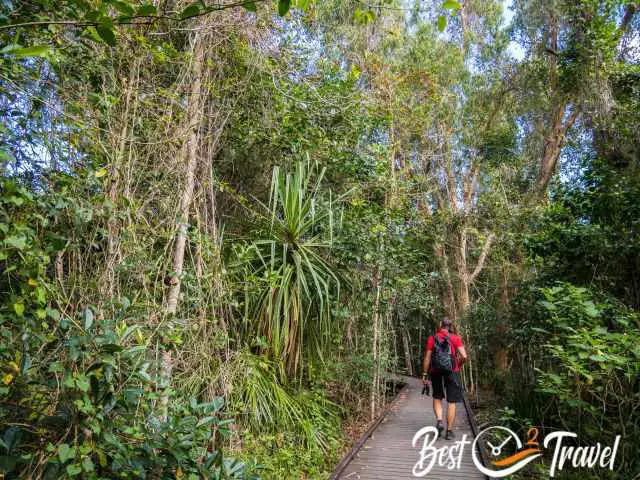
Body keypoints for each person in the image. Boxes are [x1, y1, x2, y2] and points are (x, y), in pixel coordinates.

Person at [421, 317, 467, 440]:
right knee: (451, 401)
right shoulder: (455, 338)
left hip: (435, 371)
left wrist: (425, 374)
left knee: (437, 397)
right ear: (450, 326)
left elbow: (427, 358)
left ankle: (440, 421)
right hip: (453, 371)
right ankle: (449, 431)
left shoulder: (433, 338)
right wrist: (458, 364)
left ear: (440, 325)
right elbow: (464, 356)